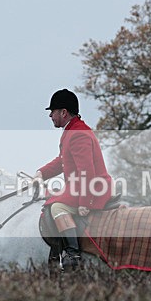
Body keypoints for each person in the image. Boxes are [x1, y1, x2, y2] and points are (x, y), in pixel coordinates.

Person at [33, 89, 113, 270]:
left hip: (92, 187)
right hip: (81, 185)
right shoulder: (73, 130)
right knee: (51, 198)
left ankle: (72, 254)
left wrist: (85, 201)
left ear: (63, 112)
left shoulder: (77, 134)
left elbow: (87, 171)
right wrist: (41, 173)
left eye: (52, 112)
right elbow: (63, 161)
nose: (50, 116)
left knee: (56, 206)